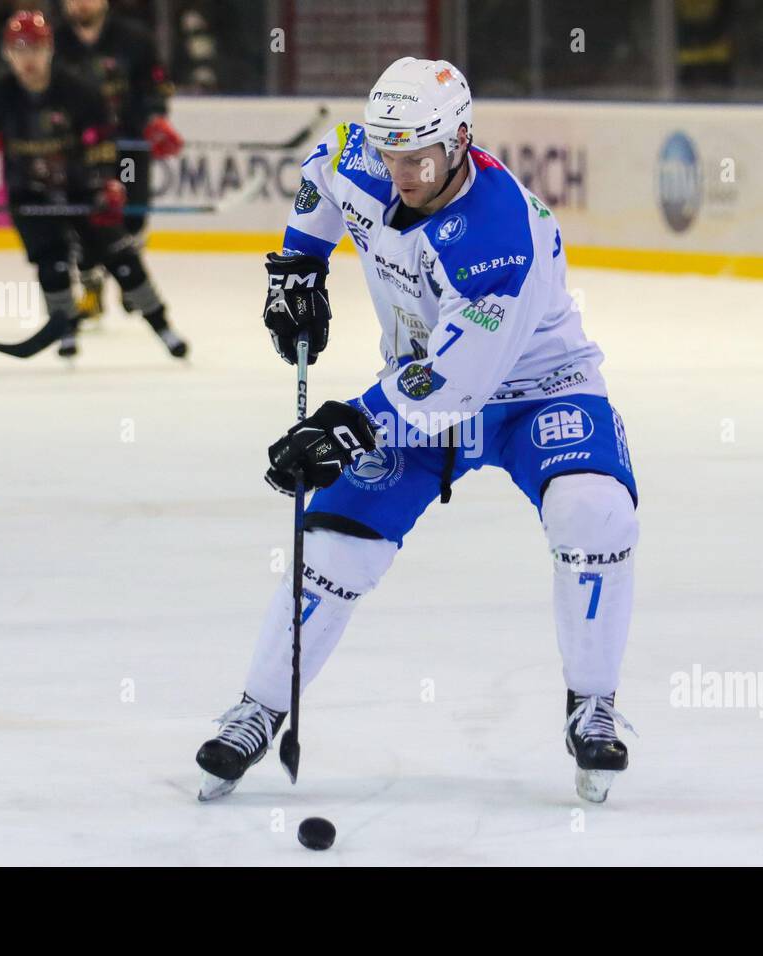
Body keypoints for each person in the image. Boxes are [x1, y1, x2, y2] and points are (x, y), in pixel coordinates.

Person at [196, 58, 639, 804]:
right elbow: (321, 171)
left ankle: (592, 701)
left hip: (535, 390)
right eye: (389, 152)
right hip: (417, 388)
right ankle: (258, 706)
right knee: (334, 542)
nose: (400, 171)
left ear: (461, 138)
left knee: (593, 508)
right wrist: (298, 269)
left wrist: (347, 425)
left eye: (418, 157)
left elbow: (457, 384)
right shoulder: (365, 155)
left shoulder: (502, 238)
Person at [0, 10, 187, 360]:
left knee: (120, 255)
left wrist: (108, 184)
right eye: (20, 49)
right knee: (53, 263)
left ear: (50, 50)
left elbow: (103, 143)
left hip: (81, 189)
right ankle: (65, 328)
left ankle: (162, 325)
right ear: (7, 53)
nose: (28, 58)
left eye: (36, 49)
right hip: (29, 192)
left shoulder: (79, 92)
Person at [54, 0, 182, 324]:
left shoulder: (135, 39)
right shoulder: (53, 42)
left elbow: (156, 86)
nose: (80, 4)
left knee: (132, 217)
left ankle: (128, 271)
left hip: (128, 146)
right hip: (78, 149)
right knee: (83, 216)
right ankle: (91, 283)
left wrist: (154, 119)